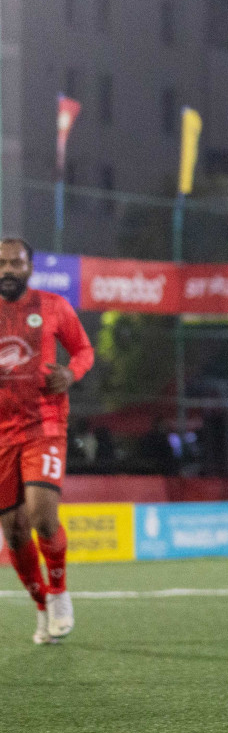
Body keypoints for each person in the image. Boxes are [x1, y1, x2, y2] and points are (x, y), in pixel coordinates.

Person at [0, 238, 94, 644]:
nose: (7, 270)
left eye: (15, 263)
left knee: (41, 515)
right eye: (1, 263)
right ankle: (41, 606)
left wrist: (71, 374)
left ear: (30, 268)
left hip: (45, 425)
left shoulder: (53, 306)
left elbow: (84, 350)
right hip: (1, 435)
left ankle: (58, 592)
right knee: (15, 532)